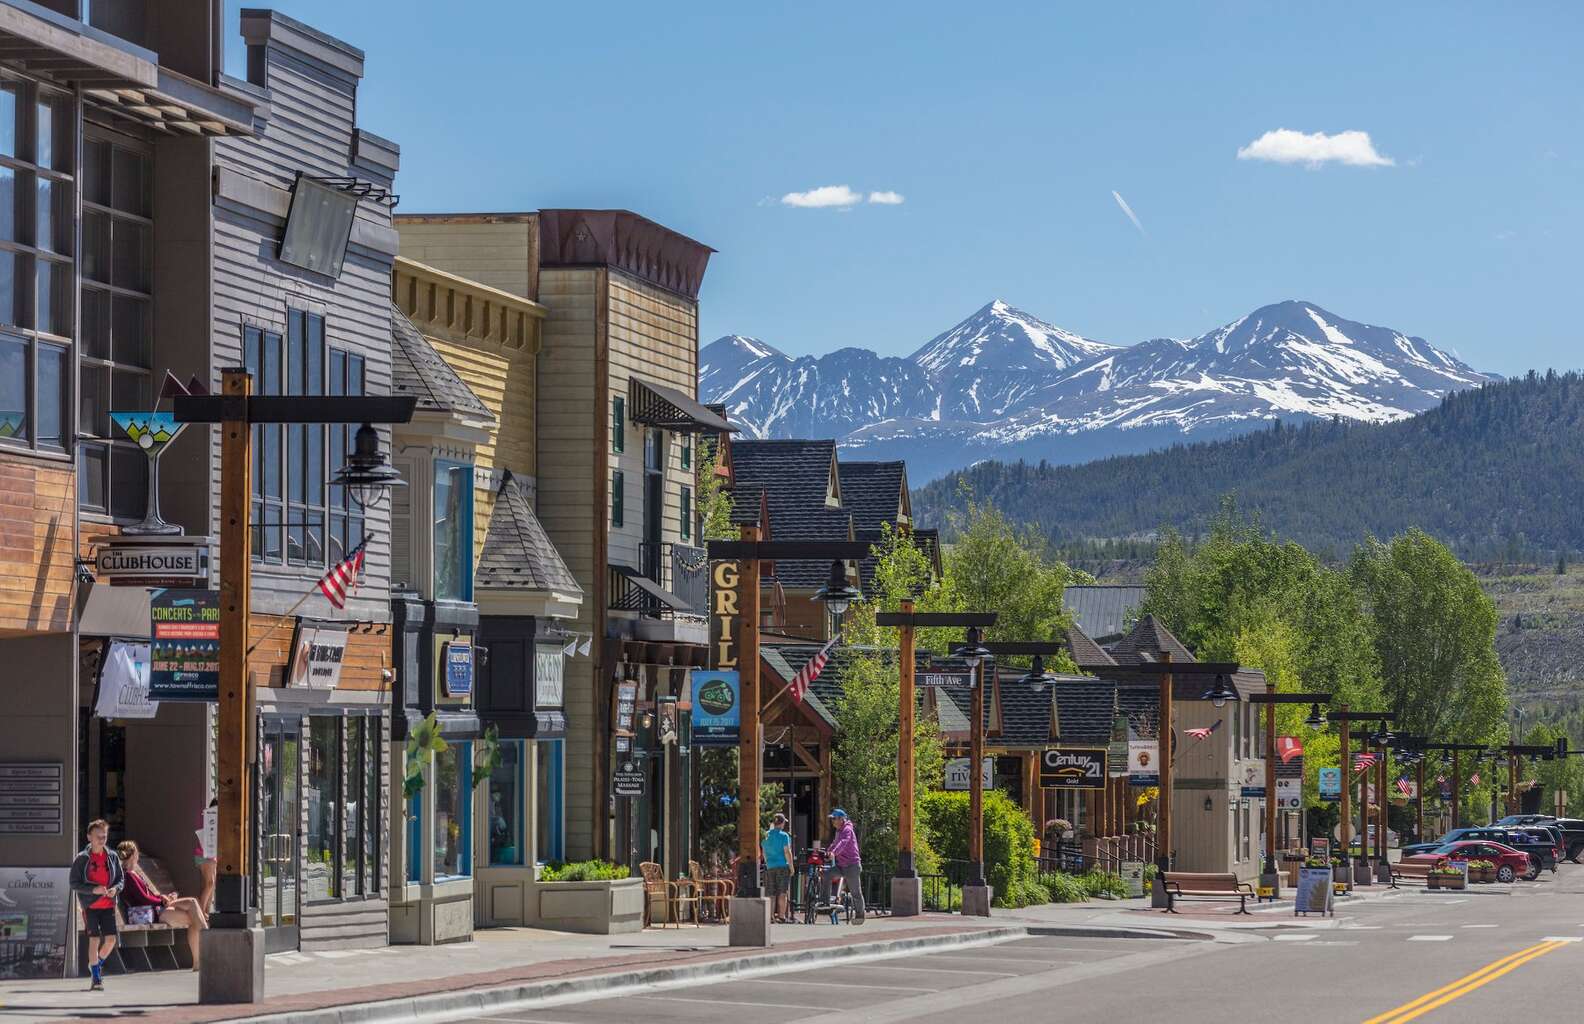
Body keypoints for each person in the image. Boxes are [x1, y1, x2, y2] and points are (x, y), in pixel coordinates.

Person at [118, 840, 208, 970]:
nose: (138, 855)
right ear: (133, 855)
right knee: (192, 904)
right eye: (137, 852)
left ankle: (197, 963)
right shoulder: (129, 876)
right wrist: (163, 901)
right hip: (153, 913)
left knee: (194, 917)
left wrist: (163, 897)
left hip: (156, 910)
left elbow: (147, 896)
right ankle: (210, 940)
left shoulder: (133, 874)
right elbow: (143, 898)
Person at [69, 819, 122, 991]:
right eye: (98, 836)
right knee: (93, 939)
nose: (101, 840)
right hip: (90, 906)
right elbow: (74, 883)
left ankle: (96, 965)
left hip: (108, 905)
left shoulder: (112, 856)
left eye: (104, 836)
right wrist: (94, 890)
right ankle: (96, 978)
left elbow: (120, 880)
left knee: (111, 940)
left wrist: (115, 889)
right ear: (89, 837)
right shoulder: (82, 859)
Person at [826, 808, 865, 924]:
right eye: (832, 819)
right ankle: (824, 901)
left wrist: (834, 853)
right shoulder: (838, 831)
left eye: (834, 819)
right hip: (841, 866)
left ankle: (860, 915)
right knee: (827, 874)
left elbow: (843, 843)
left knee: (855, 892)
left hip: (852, 865)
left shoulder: (847, 830)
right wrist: (828, 851)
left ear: (841, 819)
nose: (832, 821)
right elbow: (835, 843)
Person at [762, 813, 794, 923]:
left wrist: (768, 863)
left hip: (770, 867)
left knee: (771, 893)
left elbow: (764, 852)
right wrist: (791, 866)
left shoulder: (765, 835)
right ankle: (781, 916)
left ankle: (770, 917)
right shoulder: (784, 836)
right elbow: (787, 852)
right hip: (782, 866)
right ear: (782, 823)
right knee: (782, 892)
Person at [195, 798, 217, 914]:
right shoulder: (206, 816)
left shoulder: (215, 818)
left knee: (211, 885)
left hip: (211, 855)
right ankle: (201, 913)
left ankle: (206, 913)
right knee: (210, 883)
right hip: (202, 854)